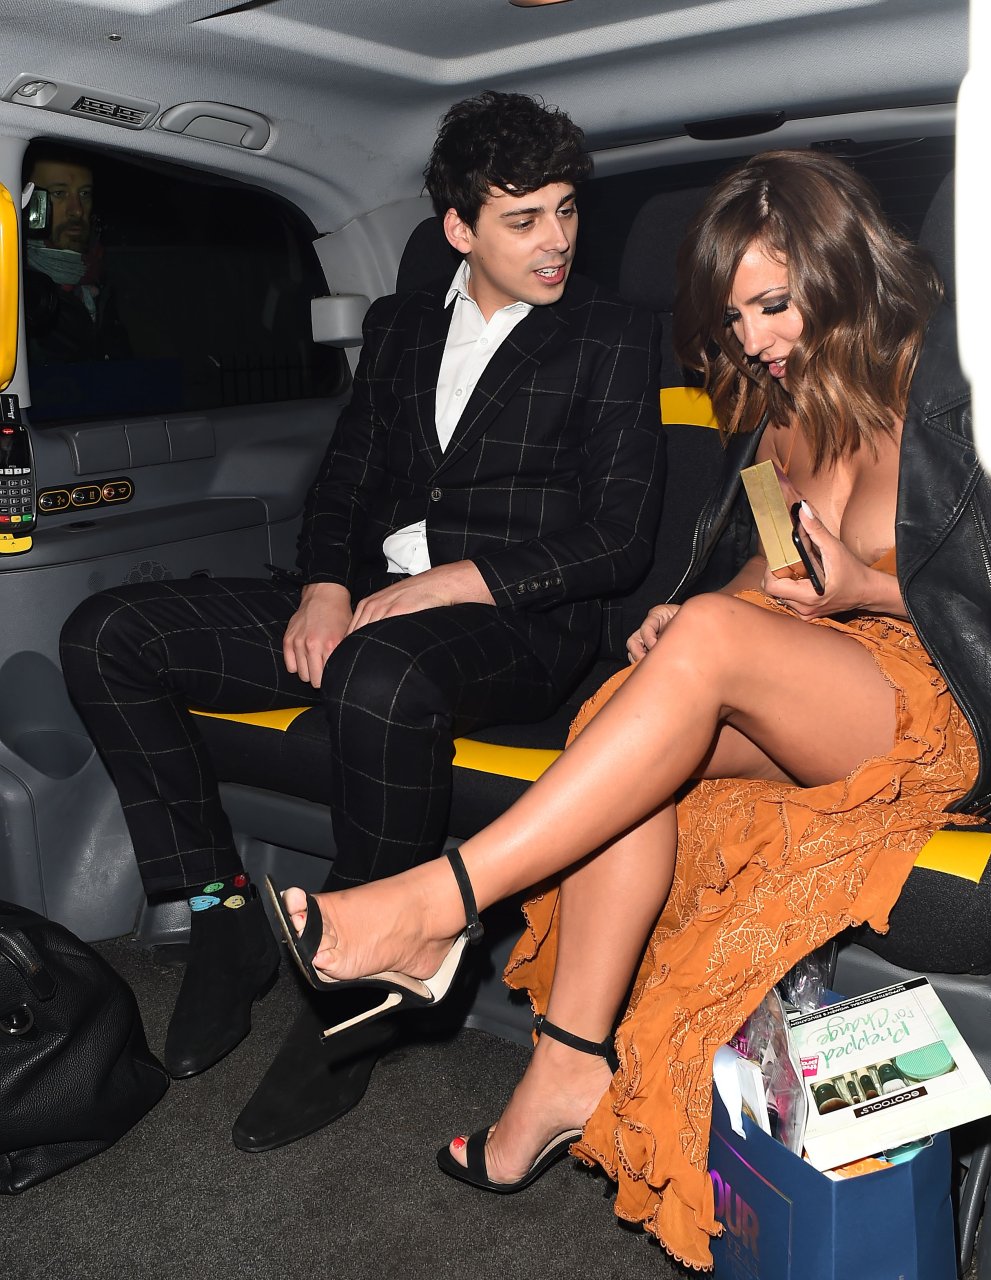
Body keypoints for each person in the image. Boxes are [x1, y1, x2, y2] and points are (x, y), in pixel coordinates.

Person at [268, 150, 991, 1269]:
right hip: (823, 679)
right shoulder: (772, 423)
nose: (756, 339)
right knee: (632, 698)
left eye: (774, 303)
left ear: (841, 267)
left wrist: (861, 593)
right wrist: (687, 623)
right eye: (735, 319)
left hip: (942, 703)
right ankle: (566, 1066)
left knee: (707, 643)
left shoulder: (959, 384)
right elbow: (771, 575)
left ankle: (438, 903)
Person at [59, 91, 664, 1151]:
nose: (557, 239)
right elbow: (345, 478)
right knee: (107, 633)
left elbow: (619, 537)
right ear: (458, 228)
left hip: (516, 627)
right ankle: (220, 914)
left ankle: (363, 985)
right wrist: (323, 585)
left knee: (377, 673)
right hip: (371, 604)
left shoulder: (608, 334)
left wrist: (457, 581)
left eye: (567, 210)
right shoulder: (398, 326)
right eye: (524, 218)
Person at [23, 146, 129, 364]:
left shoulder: (100, 280)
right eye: (59, 193)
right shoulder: (17, 289)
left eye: (84, 194)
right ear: (29, 203)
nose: (77, 210)